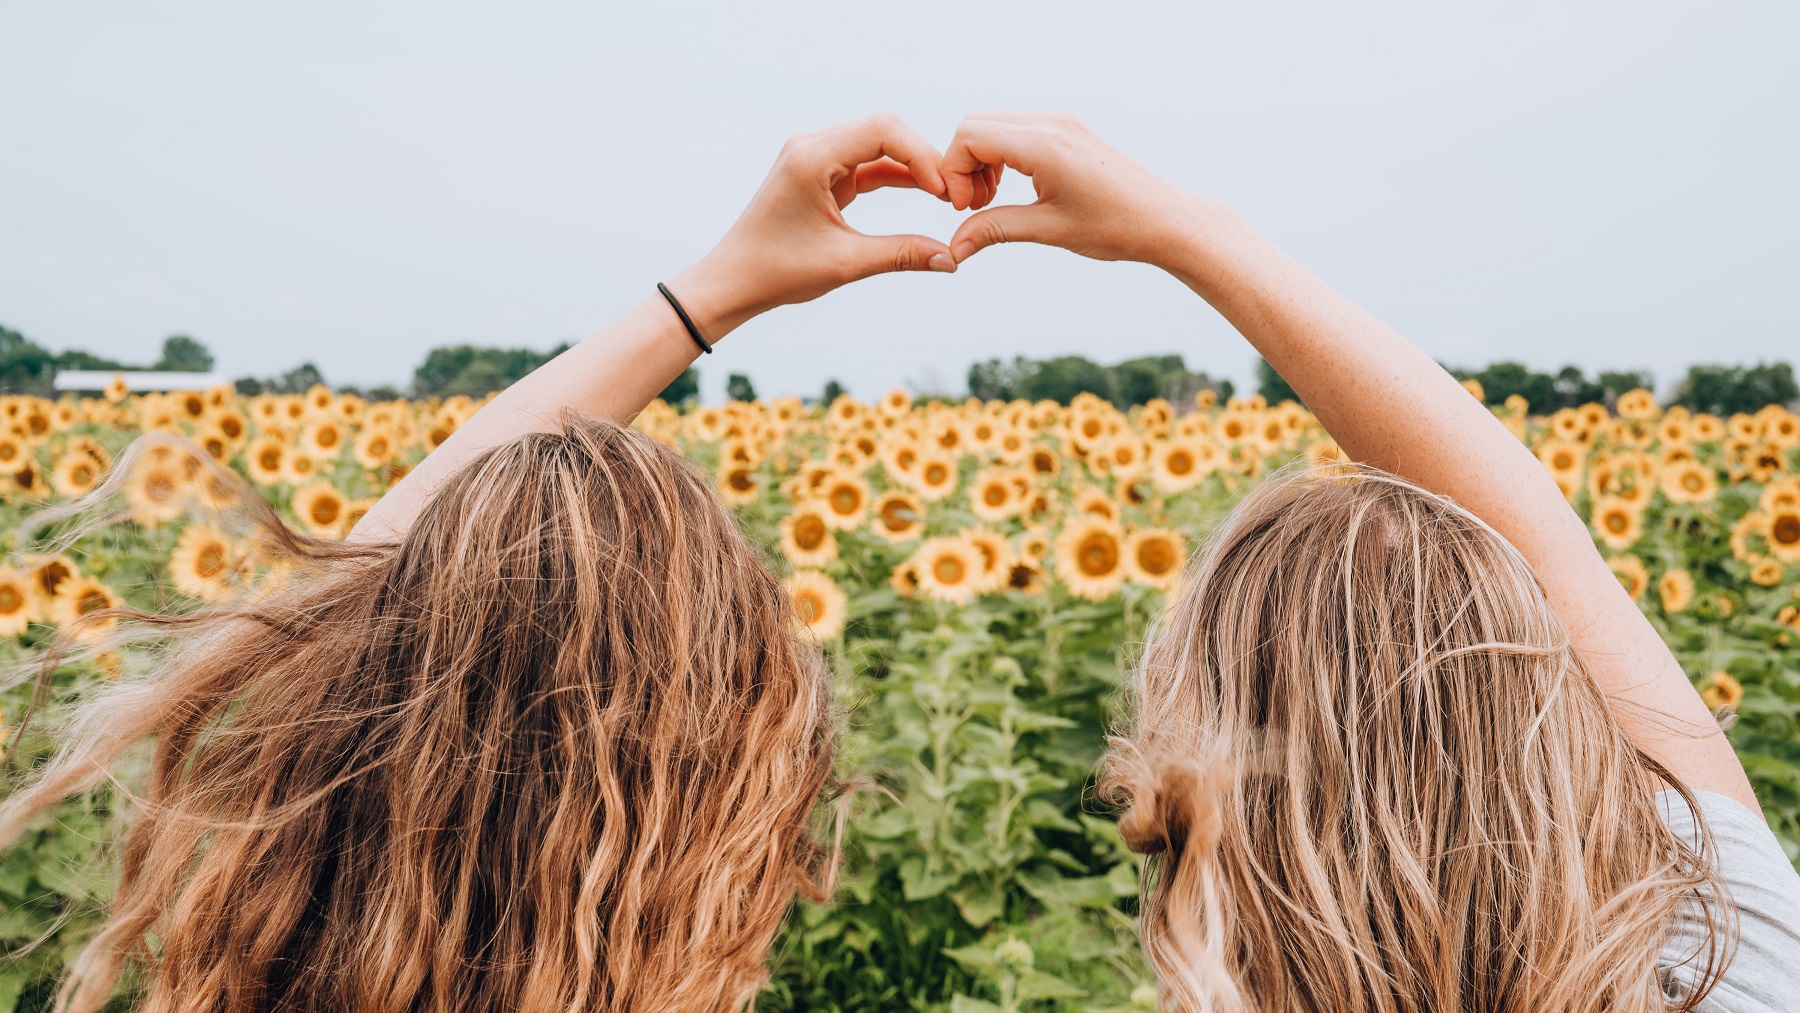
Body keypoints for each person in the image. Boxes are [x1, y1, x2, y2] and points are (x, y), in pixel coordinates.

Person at [0, 114, 967, 1013]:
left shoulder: (281, 967)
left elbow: (358, 598)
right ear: (720, 814)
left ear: (349, 738)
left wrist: (713, 287)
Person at [929, 111, 1800, 1010]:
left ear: (1203, 825)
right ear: (1563, 756)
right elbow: (1550, 549)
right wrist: (1191, 231)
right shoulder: (1740, 973)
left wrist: (1183, 237)